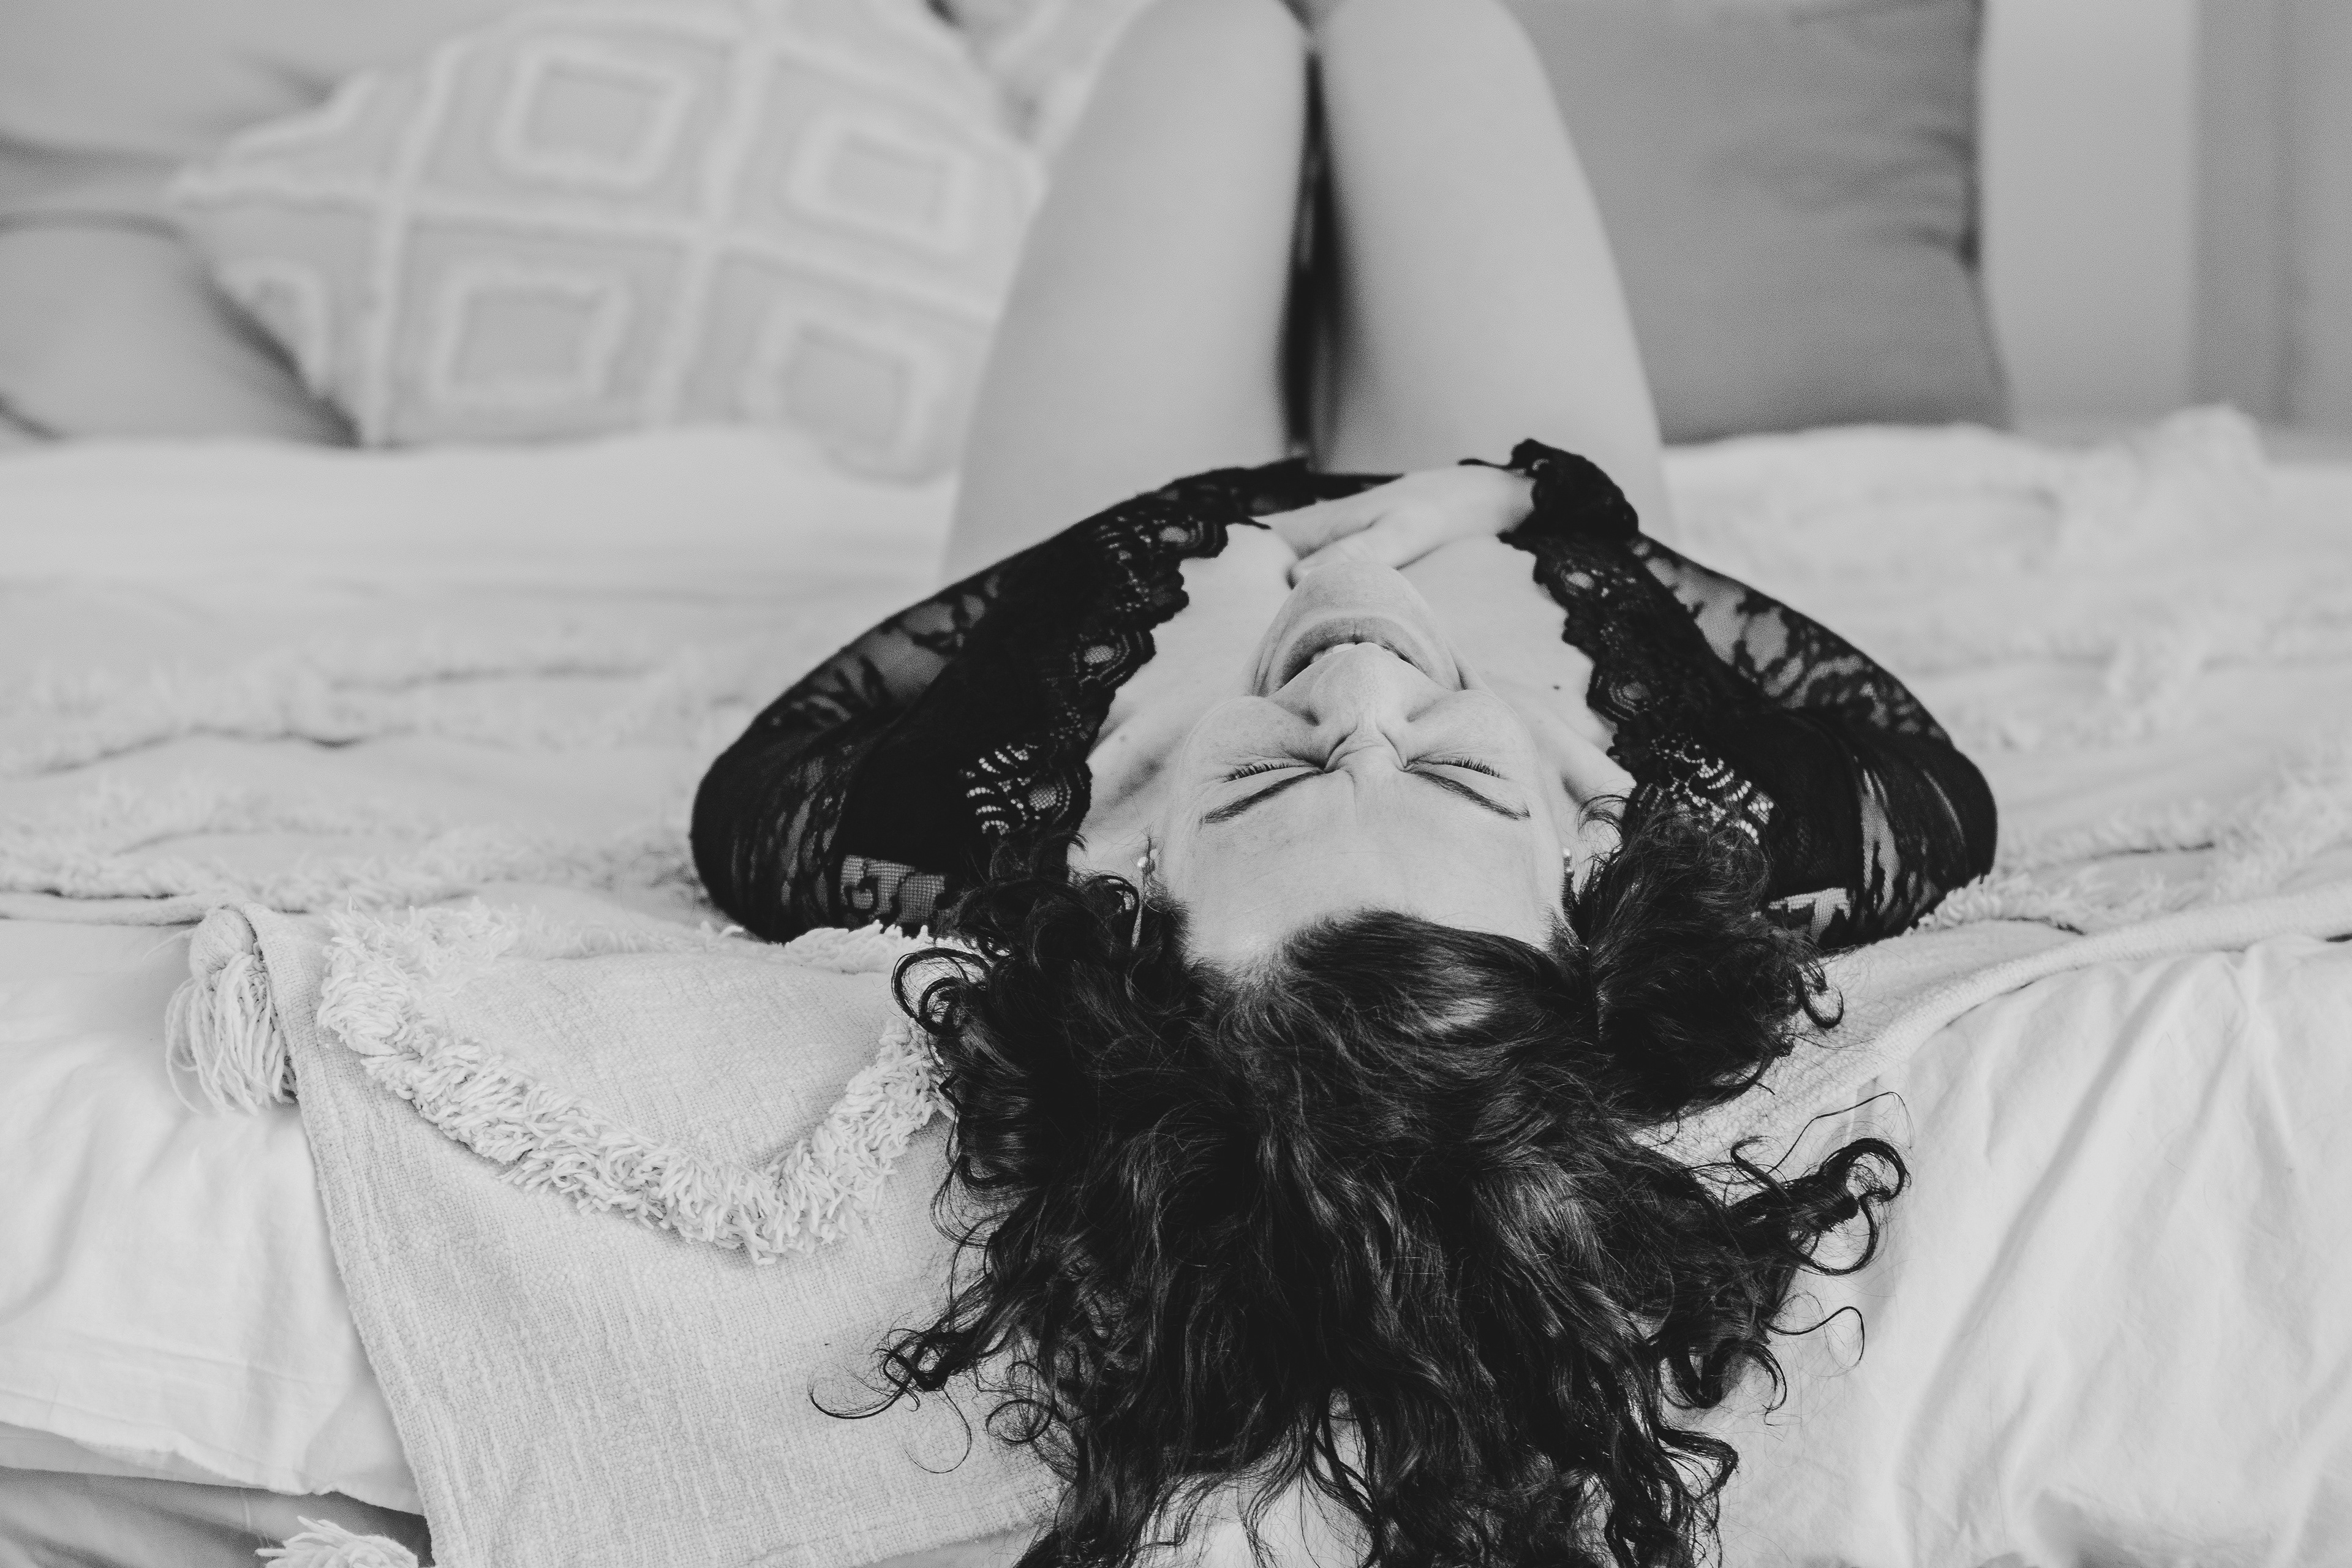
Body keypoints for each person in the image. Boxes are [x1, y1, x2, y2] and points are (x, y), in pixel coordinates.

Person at [693, 0, 1995, 1562]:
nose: (1363, 679)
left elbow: (760, 785)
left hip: (1145, 508)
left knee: (1227, 34)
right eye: (1456, 769)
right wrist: (1530, 500)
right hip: (1480, 489)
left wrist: (1127, 577)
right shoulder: (1699, 818)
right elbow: (1933, 773)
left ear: (1135, 880)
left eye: (1265, 777)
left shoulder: (1017, 814)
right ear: (1582, 869)